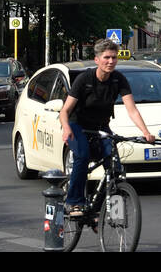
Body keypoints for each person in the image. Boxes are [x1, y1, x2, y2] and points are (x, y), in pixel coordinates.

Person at [59, 39, 154, 218]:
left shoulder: (119, 79)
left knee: (115, 168)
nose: (111, 61)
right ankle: (74, 202)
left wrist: (146, 132)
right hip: (77, 126)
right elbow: (65, 110)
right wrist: (66, 128)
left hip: (101, 127)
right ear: (97, 60)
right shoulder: (84, 79)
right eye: (106, 57)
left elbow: (132, 109)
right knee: (83, 156)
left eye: (114, 57)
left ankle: (100, 211)